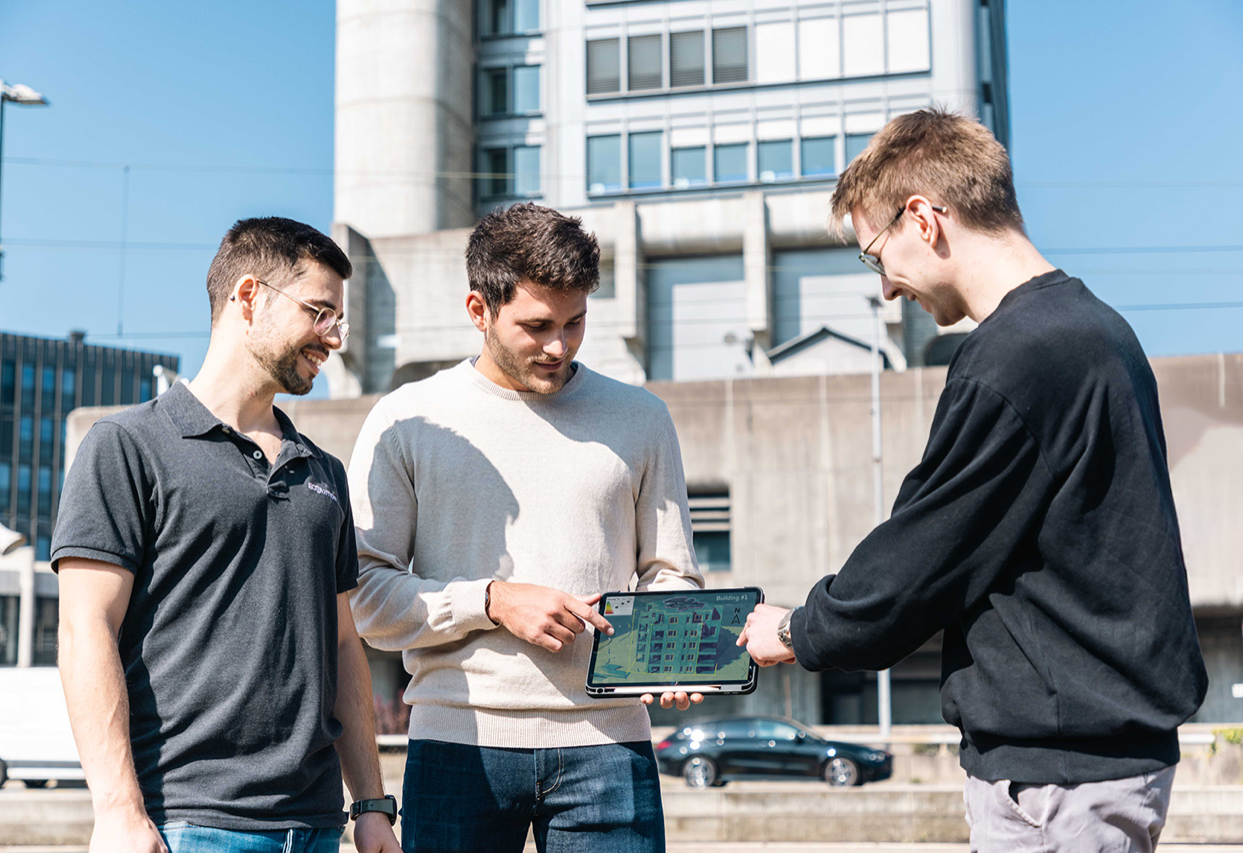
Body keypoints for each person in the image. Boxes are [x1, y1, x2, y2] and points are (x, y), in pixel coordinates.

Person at [737, 109, 1207, 852]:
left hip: (1058, 782)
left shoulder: (1017, 356)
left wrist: (798, 628)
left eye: (875, 255)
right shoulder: (1099, 330)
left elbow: (924, 553)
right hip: (1095, 762)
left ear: (922, 218)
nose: (888, 289)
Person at [347, 202, 704, 853]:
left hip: (610, 745)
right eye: (537, 326)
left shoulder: (641, 417)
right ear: (478, 311)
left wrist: (665, 640)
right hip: (459, 746)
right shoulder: (407, 420)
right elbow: (367, 596)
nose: (559, 346)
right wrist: (490, 600)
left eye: (576, 322)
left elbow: (670, 570)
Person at [54, 217, 401, 853]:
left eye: (339, 319)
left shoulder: (323, 470)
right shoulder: (127, 446)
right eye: (319, 312)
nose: (335, 337)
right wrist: (117, 810)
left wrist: (371, 804)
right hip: (186, 822)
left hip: (316, 827)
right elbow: (85, 631)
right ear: (249, 297)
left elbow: (344, 643)